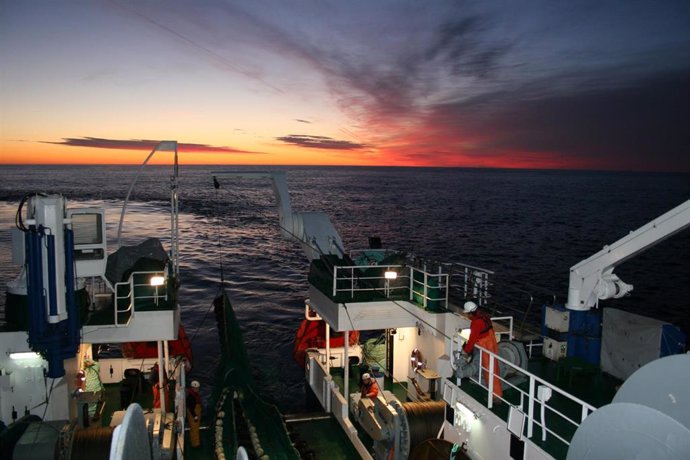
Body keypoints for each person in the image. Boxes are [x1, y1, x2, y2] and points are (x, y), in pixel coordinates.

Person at [462, 301, 503, 400]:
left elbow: (472, 339)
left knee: (489, 370)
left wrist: (466, 351)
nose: (467, 316)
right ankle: (496, 393)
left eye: (467, 314)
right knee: (494, 368)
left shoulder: (476, 323)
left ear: (471, 313)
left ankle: (495, 396)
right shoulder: (484, 316)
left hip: (486, 346)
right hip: (492, 342)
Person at [186, 380, 202, 447]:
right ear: (192, 388)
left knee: (195, 429)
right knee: (194, 429)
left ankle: (195, 442)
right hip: (193, 414)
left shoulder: (194, 394)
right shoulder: (191, 397)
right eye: (196, 388)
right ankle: (195, 444)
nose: (197, 389)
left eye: (198, 388)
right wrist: (195, 416)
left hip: (196, 413)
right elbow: (191, 408)